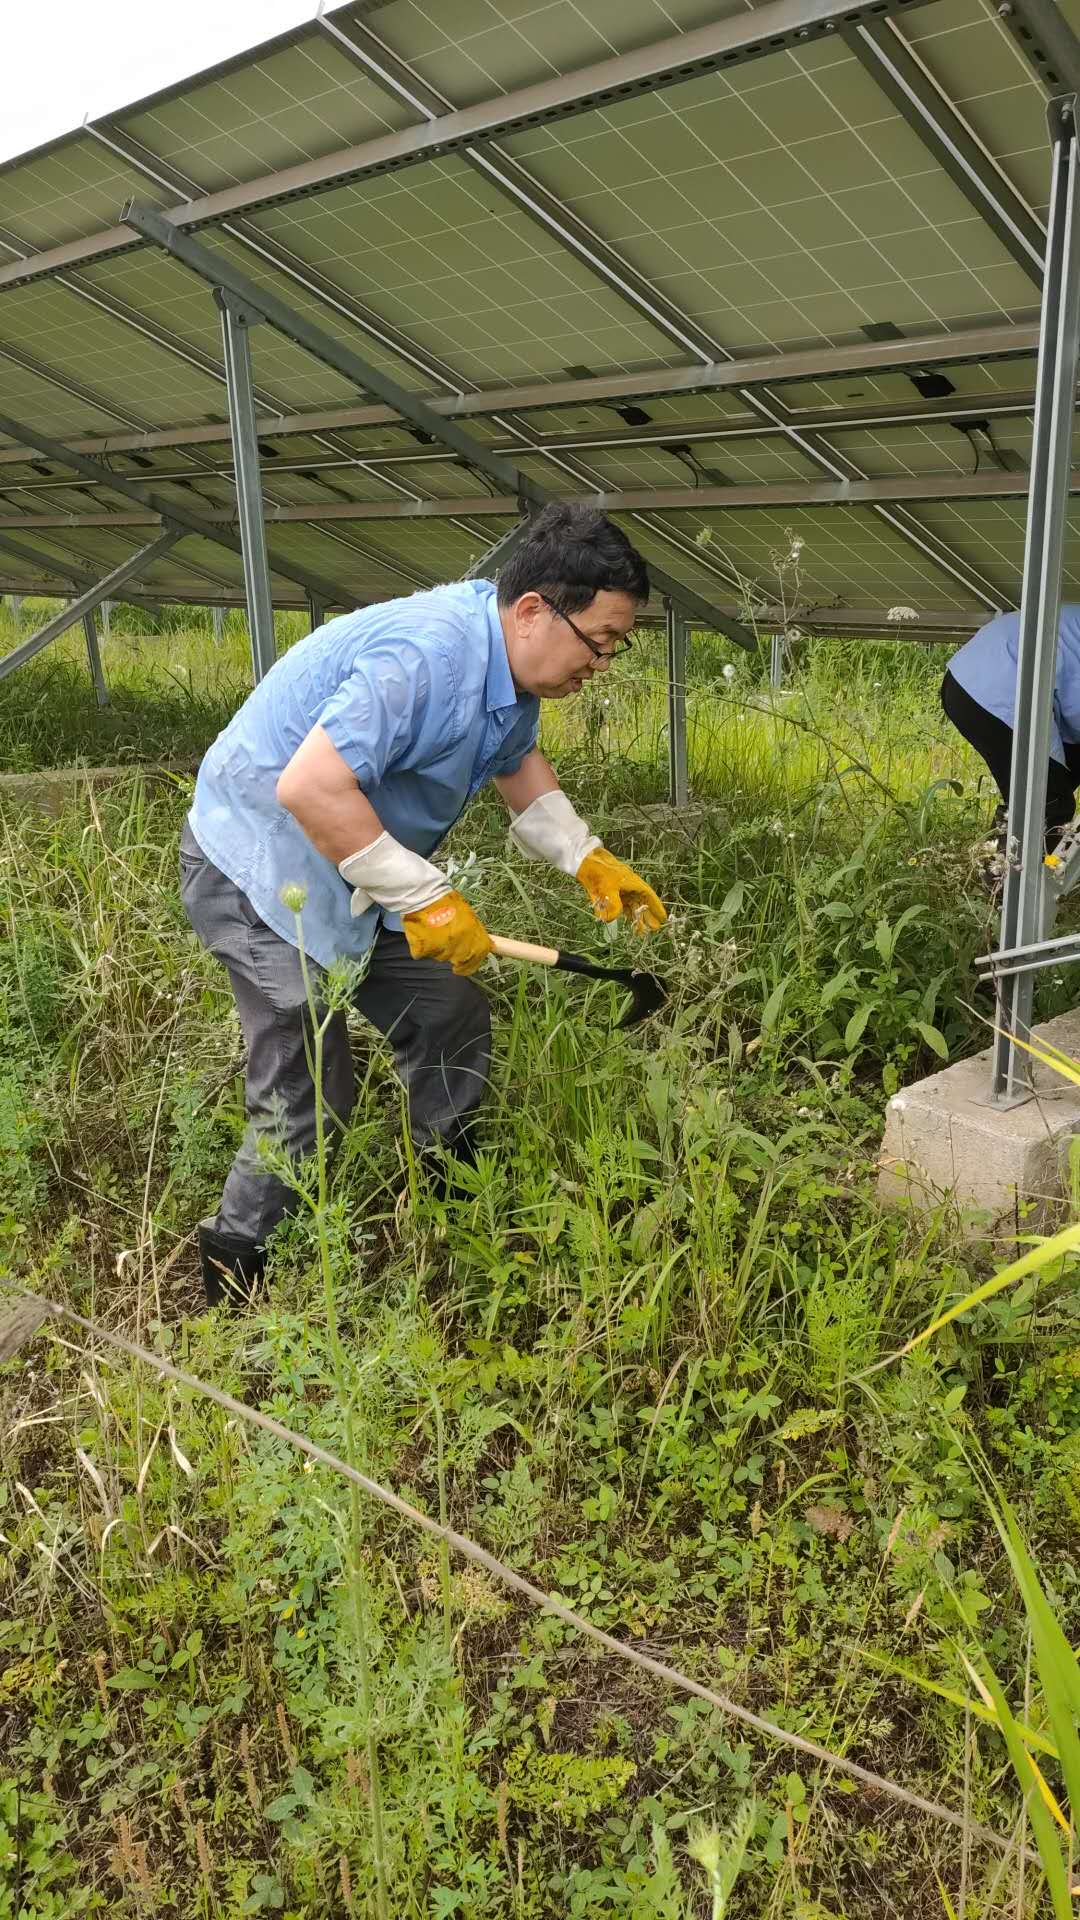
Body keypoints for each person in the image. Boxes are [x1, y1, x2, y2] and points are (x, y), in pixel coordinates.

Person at [180, 504, 666, 1307]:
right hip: (262, 869)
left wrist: (584, 853)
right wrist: (428, 900)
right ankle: (236, 1269)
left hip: (355, 870)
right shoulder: (428, 653)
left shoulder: (505, 669)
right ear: (535, 610)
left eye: (616, 646)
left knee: (449, 1009)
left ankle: (448, 1184)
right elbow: (308, 787)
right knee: (310, 1092)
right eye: (601, 641)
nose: (603, 664)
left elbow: (515, 758)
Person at [941, 604, 1080, 845]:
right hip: (996, 686)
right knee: (1046, 802)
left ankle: (998, 864)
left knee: (1046, 791)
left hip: (972, 679)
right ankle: (1010, 878)